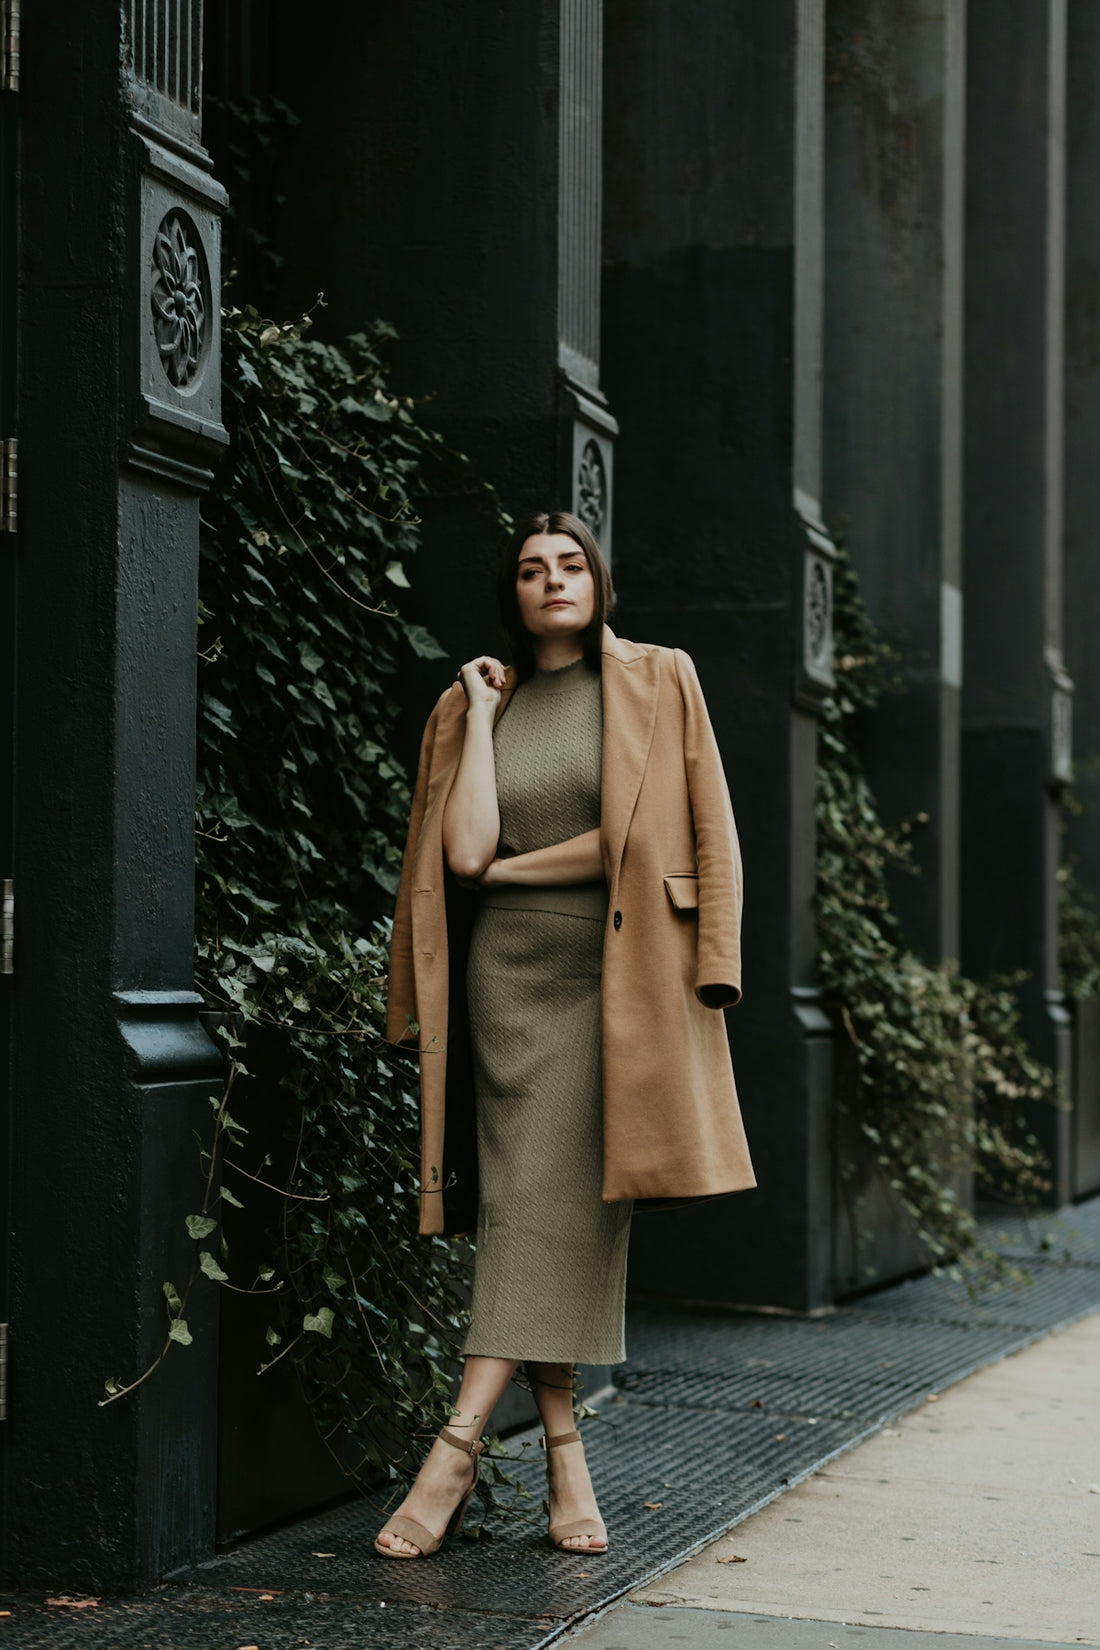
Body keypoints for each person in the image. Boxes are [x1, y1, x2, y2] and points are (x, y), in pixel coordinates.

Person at [375, 510, 755, 1560]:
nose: (553, 581)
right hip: (506, 984)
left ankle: (454, 1447)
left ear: (599, 581)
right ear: (514, 591)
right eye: (533, 569)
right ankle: (559, 1455)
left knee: (552, 1205)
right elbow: (464, 850)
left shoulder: (656, 678)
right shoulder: (478, 705)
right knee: (534, 1210)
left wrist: (714, 959)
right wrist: (480, 708)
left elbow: (664, 832)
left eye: (571, 564)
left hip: (616, 978)